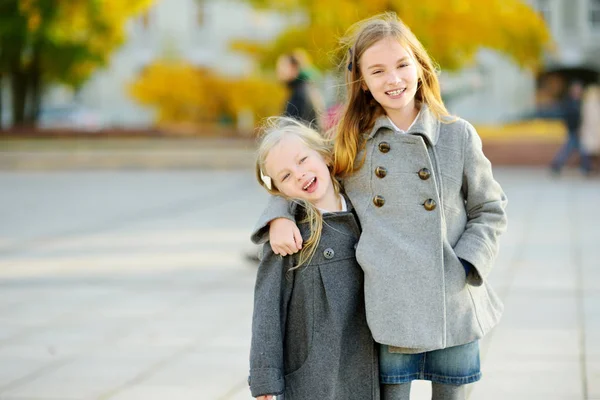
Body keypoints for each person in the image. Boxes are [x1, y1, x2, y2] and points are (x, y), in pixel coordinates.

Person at [251, 12, 507, 400]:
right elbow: (300, 176)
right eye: (378, 71)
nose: (393, 79)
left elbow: (490, 208)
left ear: (419, 66)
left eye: (402, 65)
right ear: (363, 82)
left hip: (452, 300)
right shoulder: (351, 142)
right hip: (389, 307)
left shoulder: (457, 134)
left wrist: (468, 263)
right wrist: (277, 217)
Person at [248, 117, 379, 400]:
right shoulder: (288, 236)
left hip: (373, 367)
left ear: (324, 154)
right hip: (315, 376)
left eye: (303, 160)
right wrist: (265, 377)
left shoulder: (365, 207)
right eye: (285, 176)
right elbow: (268, 308)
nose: (299, 174)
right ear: (279, 191)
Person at [548, 81, 592, 175]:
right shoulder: (569, 102)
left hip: (580, 130)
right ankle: (585, 168)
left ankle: (586, 167)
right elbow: (568, 116)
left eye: (579, 89)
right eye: (576, 88)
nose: (578, 90)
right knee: (573, 149)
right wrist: (574, 128)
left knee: (578, 149)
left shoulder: (581, 101)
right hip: (574, 130)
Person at [276, 53, 319, 128]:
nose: (279, 71)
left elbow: (298, 126)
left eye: (283, 66)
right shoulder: (299, 90)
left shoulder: (300, 94)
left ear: (294, 67)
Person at [580, 84, 600, 172]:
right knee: (588, 150)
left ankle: (587, 168)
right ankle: (586, 168)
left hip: (592, 132)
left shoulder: (587, 104)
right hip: (591, 131)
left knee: (588, 150)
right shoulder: (590, 104)